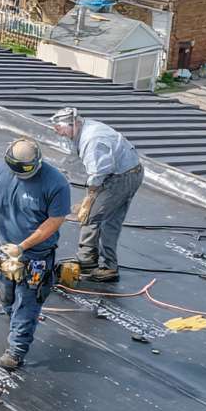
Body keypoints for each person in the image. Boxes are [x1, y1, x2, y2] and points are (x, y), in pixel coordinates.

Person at [0, 138, 71, 371]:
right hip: (5, 251)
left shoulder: (55, 183)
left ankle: (16, 350)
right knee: (6, 296)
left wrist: (23, 246)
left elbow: (55, 221)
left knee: (27, 302)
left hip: (36, 255)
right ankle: (15, 320)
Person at [51, 107, 143, 283]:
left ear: (73, 124)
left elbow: (98, 173)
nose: (60, 134)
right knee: (109, 221)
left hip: (121, 178)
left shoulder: (92, 139)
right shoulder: (84, 128)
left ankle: (87, 261)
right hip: (128, 172)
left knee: (90, 216)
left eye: (61, 129)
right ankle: (108, 266)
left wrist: (89, 200)